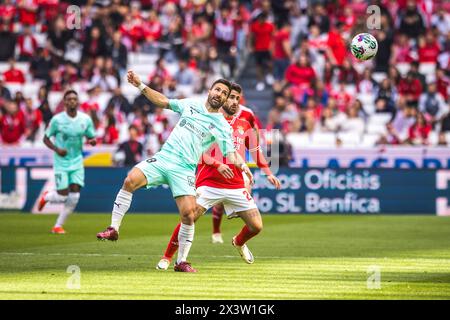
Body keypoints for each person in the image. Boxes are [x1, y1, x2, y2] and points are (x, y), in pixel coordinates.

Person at [96, 72, 253, 273]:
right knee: (130, 180)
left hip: (185, 169)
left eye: (224, 93)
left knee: (188, 215)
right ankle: (113, 229)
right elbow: (163, 101)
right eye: (218, 90)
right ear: (210, 91)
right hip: (164, 158)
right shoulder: (191, 104)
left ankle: (181, 262)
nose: (220, 94)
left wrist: (244, 166)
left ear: (224, 99)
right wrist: (140, 85)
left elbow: (231, 155)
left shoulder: (222, 125)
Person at [156, 83, 281, 270]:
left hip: (236, 184)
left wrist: (269, 173)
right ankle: (167, 257)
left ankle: (238, 242)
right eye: (231, 97)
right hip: (209, 182)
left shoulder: (245, 125)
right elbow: (198, 152)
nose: (234, 101)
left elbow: (256, 151)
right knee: (189, 217)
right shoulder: (207, 119)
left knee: (256, 226)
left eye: (237, 98)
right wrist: (217, 164)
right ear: (222, 98)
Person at [37, 90, 97, 234]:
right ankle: (47, 196)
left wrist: (92, 140)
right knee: (62, 195)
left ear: (78, 102)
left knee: (75, 195)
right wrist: (57, 149)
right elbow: (45, 138)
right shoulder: (57, 120)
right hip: (61, 162)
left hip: (77, 161)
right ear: (64, 102)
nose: (72, 101)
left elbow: (90, 136)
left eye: (74, 99)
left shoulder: (85, 119)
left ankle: (58, 225)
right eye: (69, 99)